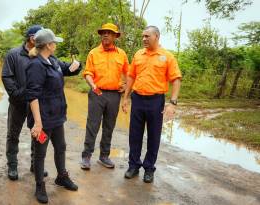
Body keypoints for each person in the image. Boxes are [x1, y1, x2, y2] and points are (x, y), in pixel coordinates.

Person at [26, 28, 81, 204]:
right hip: (43, 118)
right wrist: (38, 123)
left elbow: (66, 69)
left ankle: (62, 177)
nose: (56, 44)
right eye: (54, 42)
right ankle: (40, 185)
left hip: (57, 115)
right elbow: (33, 96)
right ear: (48, 45)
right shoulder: (35, 65)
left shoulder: (52, 60)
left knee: (61, 146)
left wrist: (75, 66)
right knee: (40, 153)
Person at [122, 26, 182, 183]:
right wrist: (126, 98)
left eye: (147, 36)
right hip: (138, 99)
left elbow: (176, 79)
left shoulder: (167, 56)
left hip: (156, 101)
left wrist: (172, 103)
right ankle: (133, 166)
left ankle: (149, 169)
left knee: (153, 136)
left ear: (157, 36)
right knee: (134, 135)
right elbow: (131, 76)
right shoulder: (138, 55)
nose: (144, 39)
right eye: (142, 36)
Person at [1, 25, 48, 181]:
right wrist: (17, 94)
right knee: (13, 135)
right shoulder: (13, 54)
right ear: (32, 38)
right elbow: (7, 77)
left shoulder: (42, 54)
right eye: (40, 37)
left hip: (37, 104)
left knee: (38, 133)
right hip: (18, 103)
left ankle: (36, 164)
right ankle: (12, 166)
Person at [80, 23, 129, 170]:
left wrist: (126, 86)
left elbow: (129, 73)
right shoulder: (93, 53)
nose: (106, 34)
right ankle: (86, 156)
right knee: (92, 125)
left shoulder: (122, 54)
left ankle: (104, 156)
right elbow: (88, 73)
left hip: (115, 95)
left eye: (109, 32)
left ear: (115, 36)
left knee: (109, 126)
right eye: (104, 32)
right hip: (97, 92)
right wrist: (92, 84)